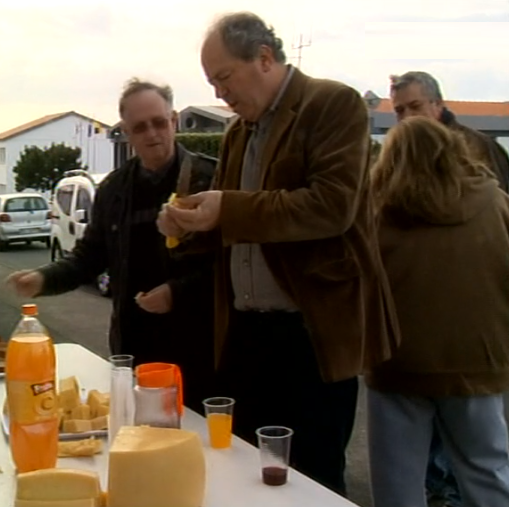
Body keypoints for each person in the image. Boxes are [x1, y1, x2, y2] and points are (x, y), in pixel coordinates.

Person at [157, 12, 399, 495]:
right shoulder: (237, 132)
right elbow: (230, 221)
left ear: (264, 59)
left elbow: (332, 207)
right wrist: (186, 225)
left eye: (224, 77)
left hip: (310, 334)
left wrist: (227, 207)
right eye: (212, 82)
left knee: (313, 478)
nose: (220, 93)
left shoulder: (333, 105)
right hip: (248, 334)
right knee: (249, 472)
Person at [6, 79, 218, 412]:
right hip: (134, 347)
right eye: (140, 127)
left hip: (200, 351)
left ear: (174, 120)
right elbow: (89, 256)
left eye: (159, 123)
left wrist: (177, 292)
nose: (152, 134)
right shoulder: (114, 189)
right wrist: (44, 279)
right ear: (127, 133)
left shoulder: (211, 179)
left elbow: (231, 264)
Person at [366, 115, 509, 507]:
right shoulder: (494, 201)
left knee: (398, 482)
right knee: (487, 469)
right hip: (478, 361)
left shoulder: (378, 212)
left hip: (397, 363)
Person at [389, 71, 509, 193]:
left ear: (438, 103)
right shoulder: (397, 156)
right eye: (399, 111)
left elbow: (500, 201)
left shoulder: (477, 146)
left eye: (415, 106)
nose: (408, 116)